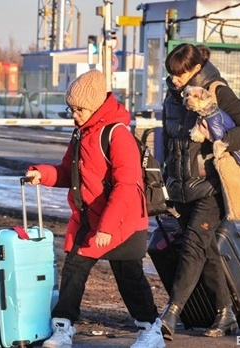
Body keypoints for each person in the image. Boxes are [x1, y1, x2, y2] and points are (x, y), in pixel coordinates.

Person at [26, 69, 165, 348]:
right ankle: (63, 327)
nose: (75, 115)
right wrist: (42, 174)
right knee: (74, 271)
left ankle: (151, 330)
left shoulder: (118, 135)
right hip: (89, 219)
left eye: (80, 109)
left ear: (98, 104)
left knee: (129, 278)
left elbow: (126, 185)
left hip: (122, 223)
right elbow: (68, 172)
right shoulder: (80, 133)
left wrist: (107, 227)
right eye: (71, 108)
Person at [159, 43, 240, 340]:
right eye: (171, 74)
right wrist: (165, 180)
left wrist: (220, 138)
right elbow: (169, 140)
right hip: (181, 185)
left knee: (193, 246)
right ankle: (225, 312)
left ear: (196, 69)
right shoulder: (173, 95)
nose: (175, 80)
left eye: (180, 75)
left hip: (210, 186)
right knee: (207, 250)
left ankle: (171, 312)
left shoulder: (217, 91)